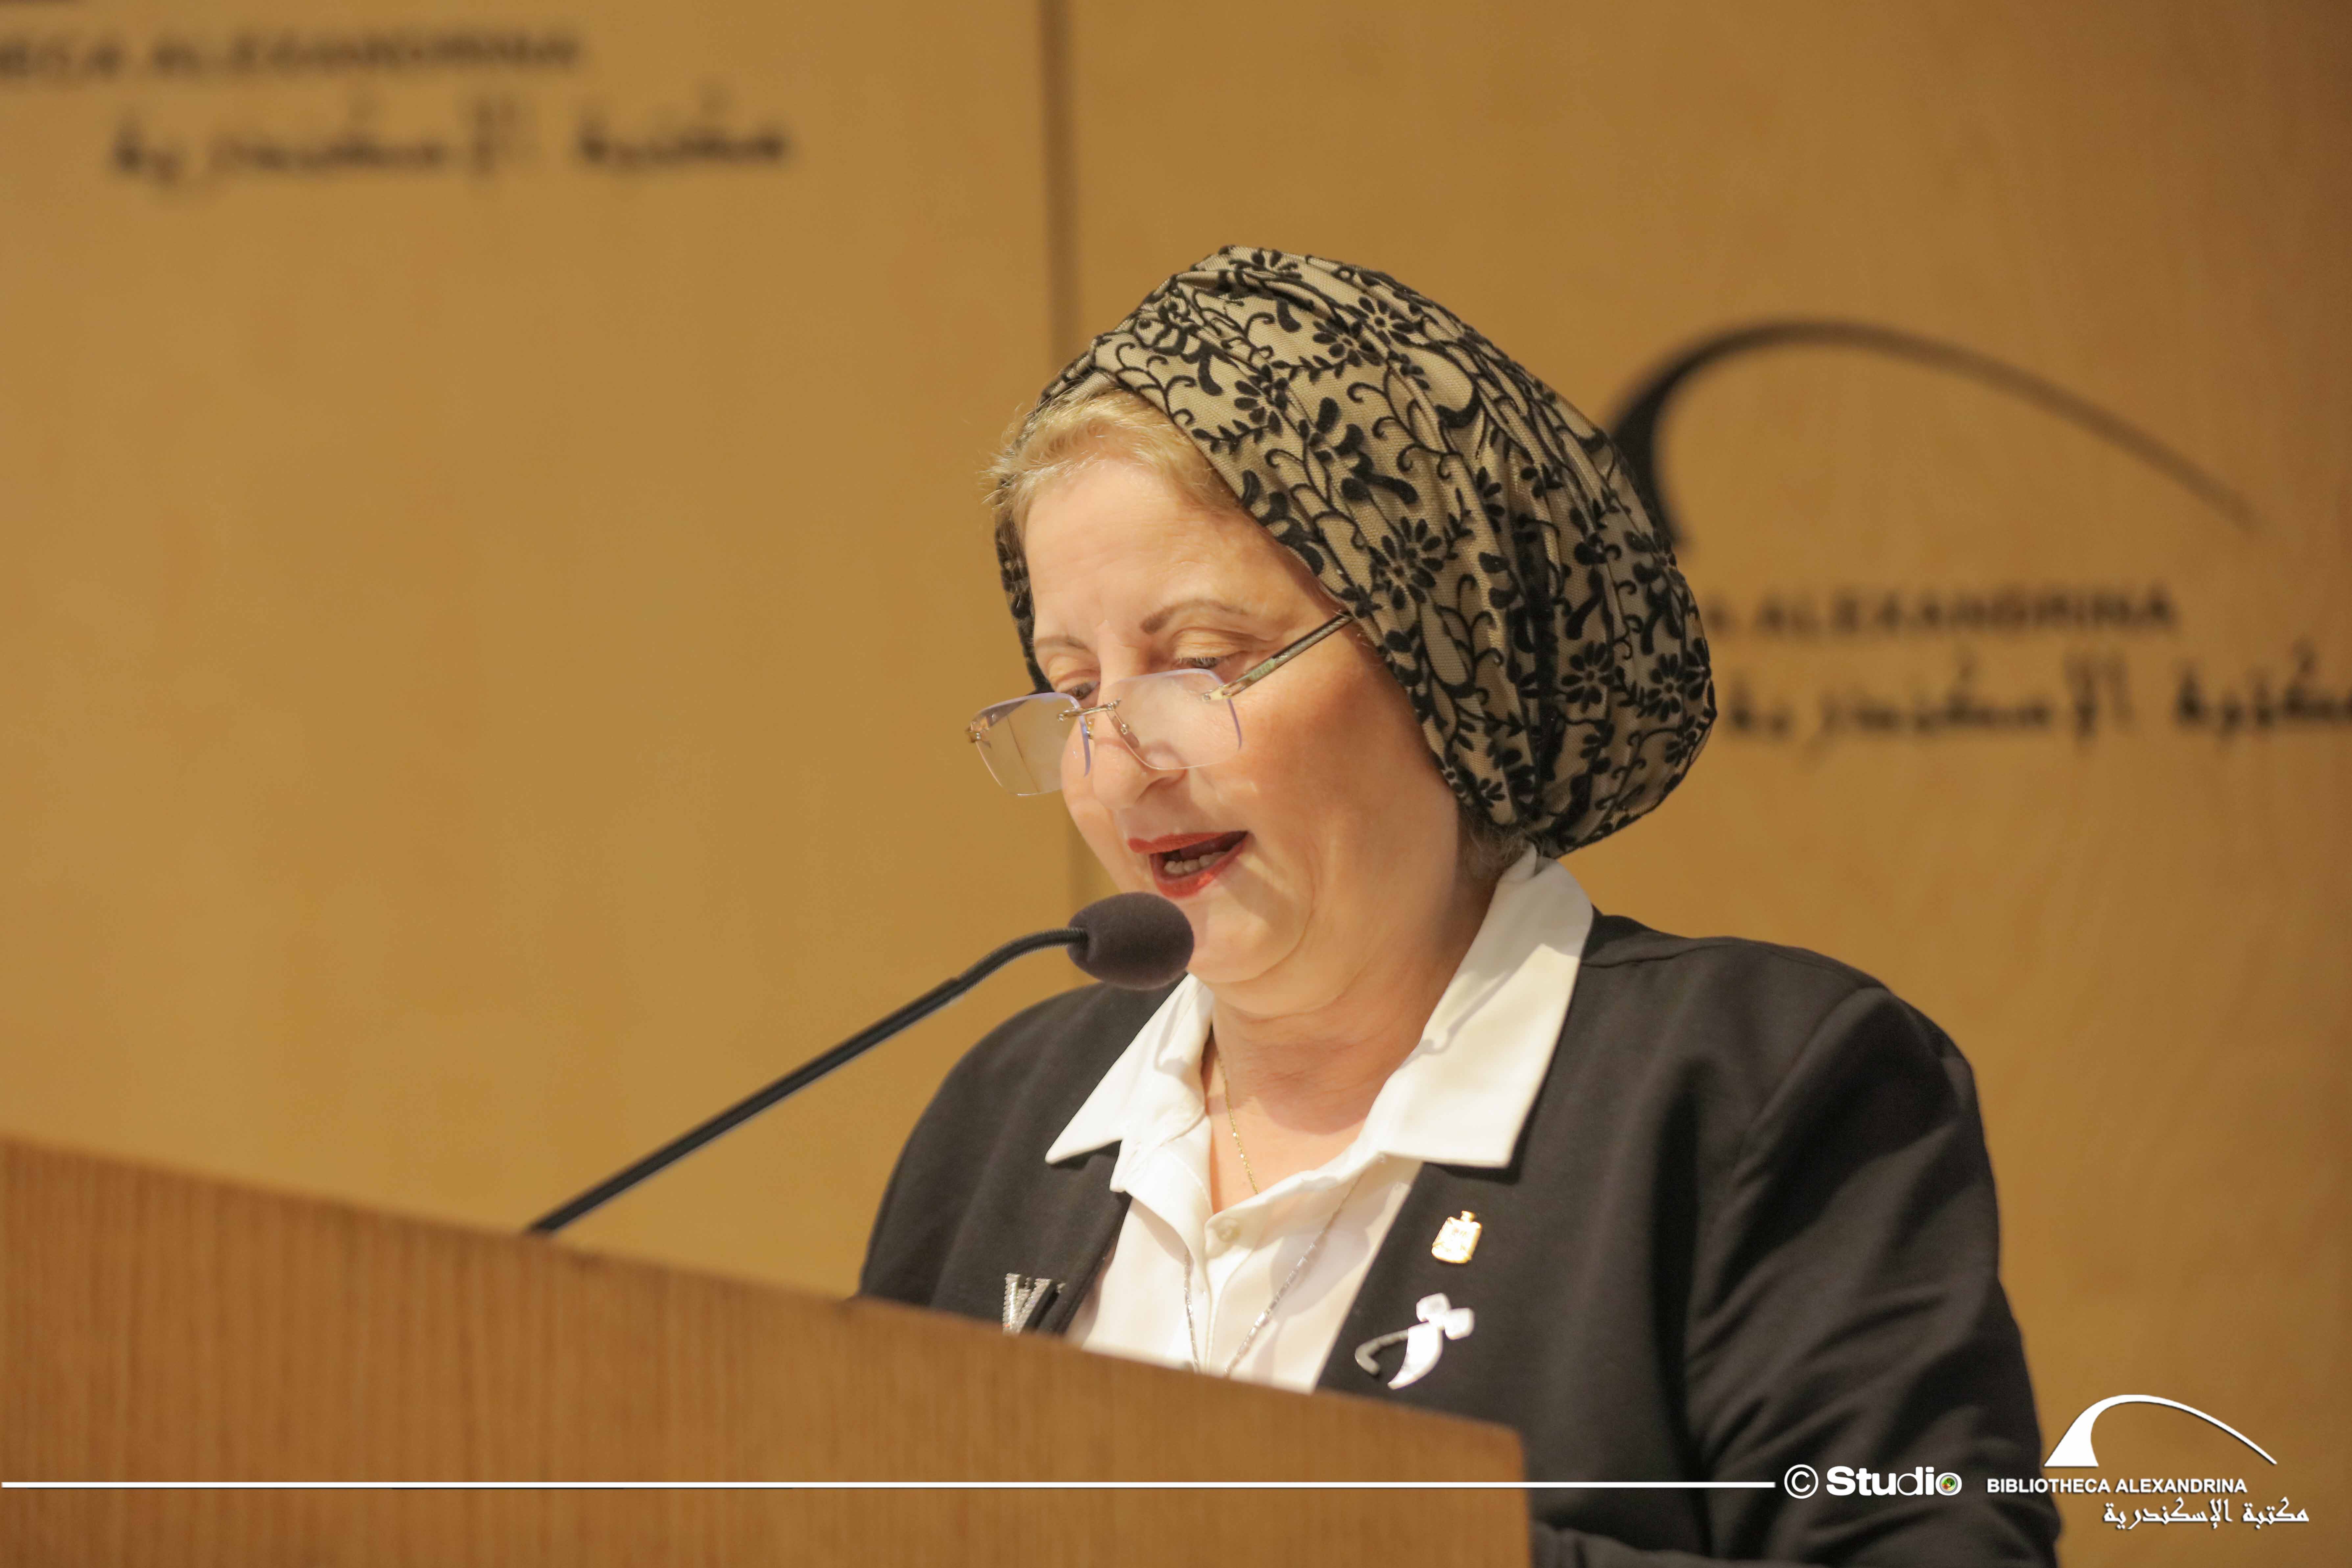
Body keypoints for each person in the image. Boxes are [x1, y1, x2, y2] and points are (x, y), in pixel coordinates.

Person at [861, 247, 2060, 1566]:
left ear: (1444, 655)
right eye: (1074, 689)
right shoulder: (1010, 1115)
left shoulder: (1752, 1083)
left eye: (1199, 661)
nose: (1115, 761)